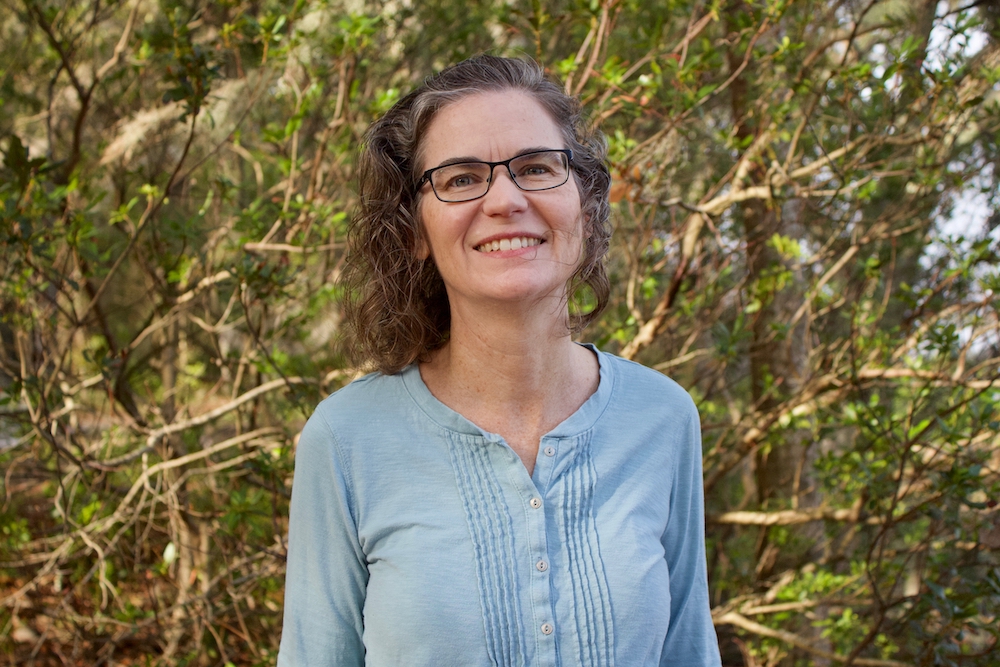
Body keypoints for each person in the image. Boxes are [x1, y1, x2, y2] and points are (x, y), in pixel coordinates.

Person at [277, 54, 722, 667]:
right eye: (461, 178)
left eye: (537, 168)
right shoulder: (346, 438)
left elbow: (689, 650)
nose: (505, 199)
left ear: (585, 205)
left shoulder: (662, 416)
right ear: (414, 230)